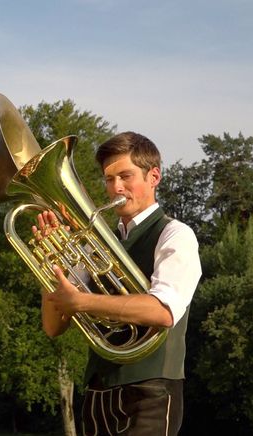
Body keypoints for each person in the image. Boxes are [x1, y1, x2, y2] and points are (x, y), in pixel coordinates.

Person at [36, 132, 201, 435]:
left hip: (151, 392)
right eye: (109, 179)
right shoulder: (97, 242)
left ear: (154, 177)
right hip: (98, 392)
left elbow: (162, 310)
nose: (116, 188)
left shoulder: (175, 235)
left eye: (125, 176)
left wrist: (83, 302)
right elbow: (53, 326)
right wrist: (52, 265)